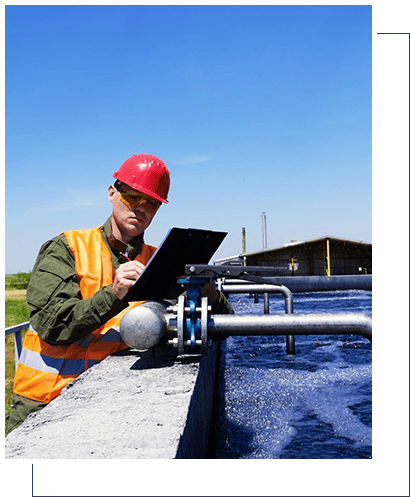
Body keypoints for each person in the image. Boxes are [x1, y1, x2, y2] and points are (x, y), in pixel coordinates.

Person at [7, 153, 233, 434]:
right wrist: (113, 294)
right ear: (112, 192)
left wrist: (208, 293)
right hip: (47, 402)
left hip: (112, 402)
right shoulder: (67, 247)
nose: (141, 208)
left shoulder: (158, 261)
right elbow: (52, 325)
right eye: (132, 197)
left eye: (151, 203)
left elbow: (223, 327)